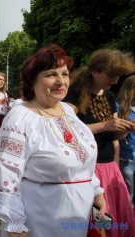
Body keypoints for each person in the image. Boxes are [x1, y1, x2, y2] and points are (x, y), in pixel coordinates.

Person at [0, 44, 107, 237]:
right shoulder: (20, 117)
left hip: (77, 215)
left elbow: (83, 158)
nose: (61, 81)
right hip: (41, 218)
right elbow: (6, 174)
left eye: (65, 74)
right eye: (51, 74)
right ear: (32, 81)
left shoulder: (68, 111)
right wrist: (14, 224)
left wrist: (96, 191)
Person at [64, 48, 135, 237]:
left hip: (109, 166)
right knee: (95, 223)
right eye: (111, 75)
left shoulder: (110, 96)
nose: (115, 81)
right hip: (87, 168)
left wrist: (124, 130)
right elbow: (66, 133)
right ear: (94, 70)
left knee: (111, 220)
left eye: (118, 76)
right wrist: (105, 125)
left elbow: (113, 137)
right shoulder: (74, 92)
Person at [116, 75, 135, 206]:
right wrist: (128, 126)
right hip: (126, 159)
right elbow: (114, 135)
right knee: (128, 196)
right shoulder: (119, 107)